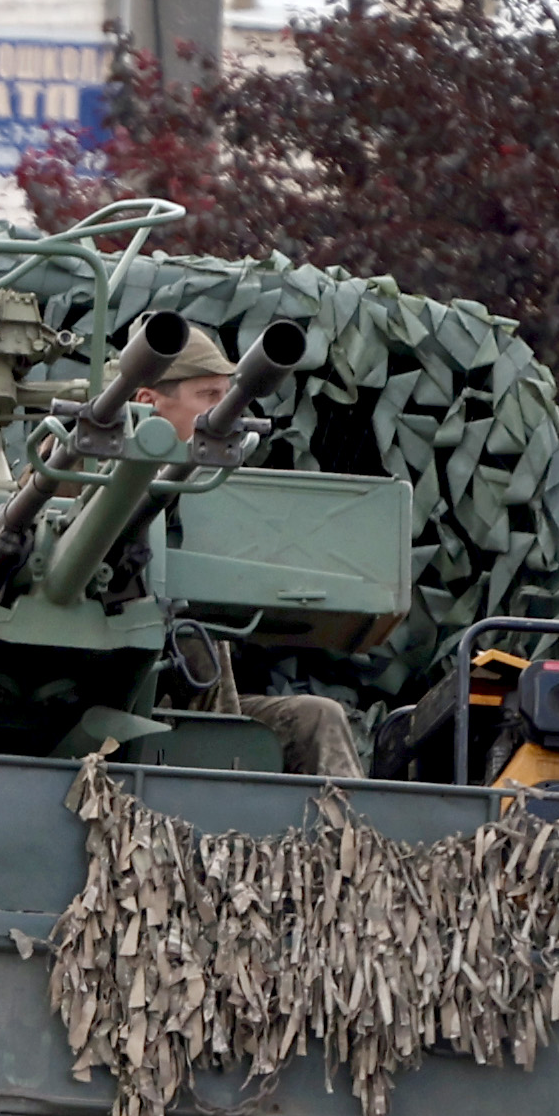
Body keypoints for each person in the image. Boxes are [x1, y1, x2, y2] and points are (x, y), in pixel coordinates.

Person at [137, 323, 363, 780]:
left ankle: (350, 845)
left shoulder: (207, 489)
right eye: (208, 396)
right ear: (148, 403)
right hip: (109, 707)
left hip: (204, 707)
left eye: (229, 394)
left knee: (317, 719)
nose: (226, 411)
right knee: (189, 640)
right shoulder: (83, 471)